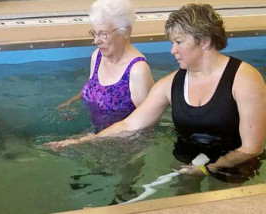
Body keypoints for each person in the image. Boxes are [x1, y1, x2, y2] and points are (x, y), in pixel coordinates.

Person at [47, 4, 266, 183]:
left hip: (232, 163)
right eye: (172, 43)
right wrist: (84, 141)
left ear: (205, 41)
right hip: (185, 158)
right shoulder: (170, 84)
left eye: (179, 42)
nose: (172, 50)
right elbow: (130, 124)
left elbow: (251, 147)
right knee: (183, 200)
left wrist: (209, 169)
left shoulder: (245, 79)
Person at [57, 0, 154, 132]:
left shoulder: (137, 70)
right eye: (95, 33)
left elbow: (147, 125)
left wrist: (90, 140)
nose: (96, 41)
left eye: (103, 34)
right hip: (92, 132)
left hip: (122, 144)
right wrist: (70, 103)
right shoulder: (97, 56)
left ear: (125, 32)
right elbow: (92, 89)